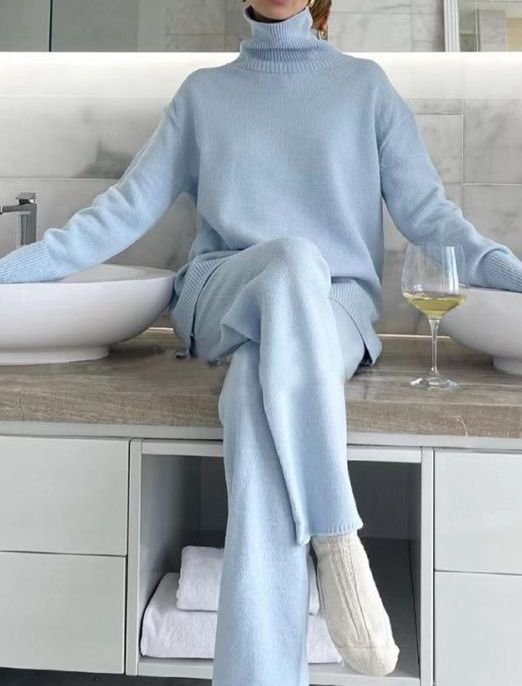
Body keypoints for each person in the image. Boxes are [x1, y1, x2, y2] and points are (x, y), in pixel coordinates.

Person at [1, 1, 522, 684]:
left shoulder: (366, 89)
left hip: (332, 310)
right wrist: (12, 270)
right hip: (224, 291)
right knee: (291, 259)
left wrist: (512, 272)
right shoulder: (203, 95)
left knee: (255, 394)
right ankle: (337, 536)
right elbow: (120, 213)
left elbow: (433, 220)